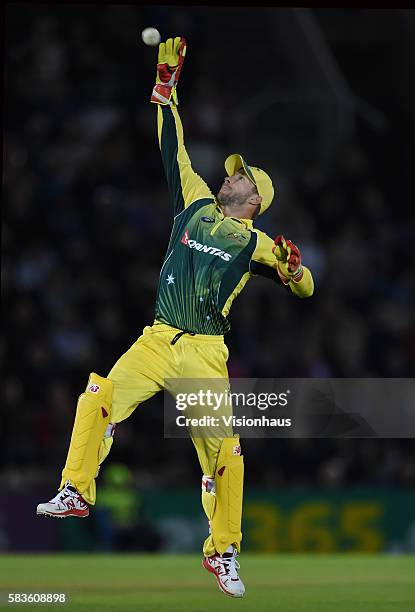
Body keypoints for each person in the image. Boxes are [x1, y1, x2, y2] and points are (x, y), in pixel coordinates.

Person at [36, 37, 314, 598]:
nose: (228, 175)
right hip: (158, 338)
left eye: (239, 176)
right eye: (232, 173)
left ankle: (223, 552)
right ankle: (76, 490)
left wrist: (291, 268)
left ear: (254, 196)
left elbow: (305, 288)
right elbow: (175, 147)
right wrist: (166, 91)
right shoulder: (193, 201)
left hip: (205, 353)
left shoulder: (254, 241)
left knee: (227, 454)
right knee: (98, 397)